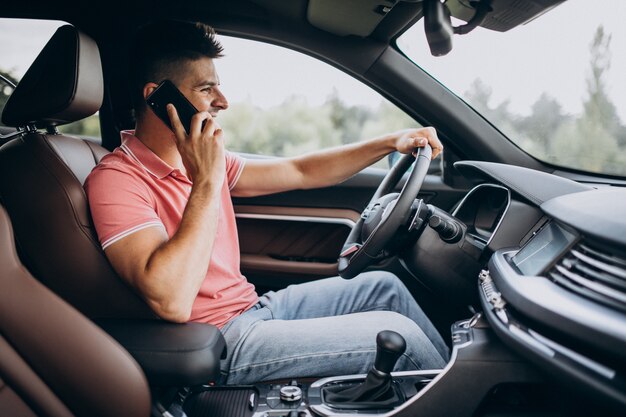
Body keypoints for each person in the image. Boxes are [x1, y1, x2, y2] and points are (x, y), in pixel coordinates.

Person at [85, 20, 448, 385]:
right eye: (206, 88)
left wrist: (390, 141)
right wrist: (207, 181)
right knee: (403, 338)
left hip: (253, 308)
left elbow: (300, 171)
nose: (223, 102)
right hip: (218, 340)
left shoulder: (204, 160)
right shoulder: (117, 180)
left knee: (386, 290)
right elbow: (172, 301)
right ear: (158, 96)